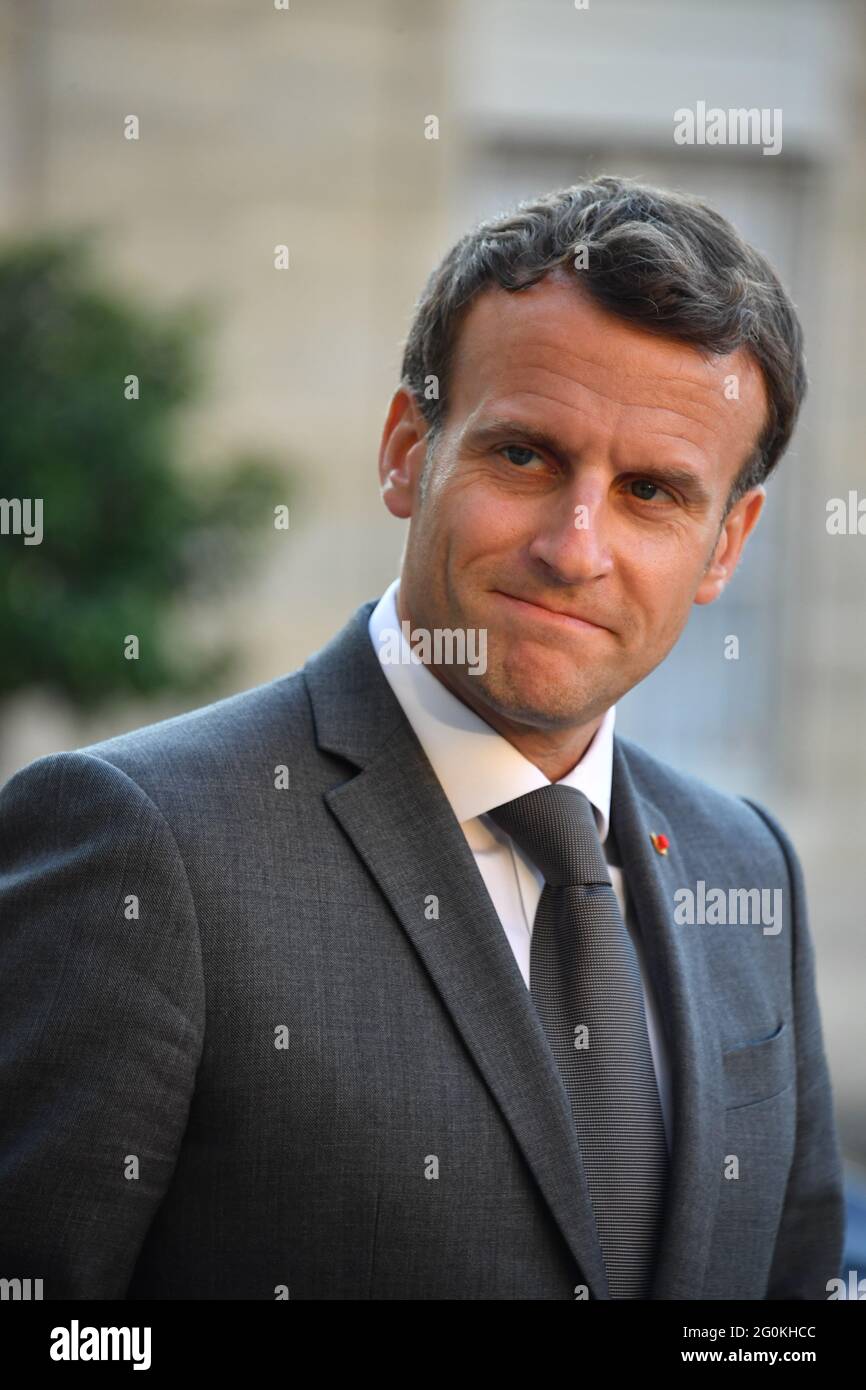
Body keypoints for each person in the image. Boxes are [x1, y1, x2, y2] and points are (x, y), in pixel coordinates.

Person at [0, 176, 845, 1300]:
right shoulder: (138, 843)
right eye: (525, 456)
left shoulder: (744, 866)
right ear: (408, 449)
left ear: (725, 542)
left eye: (650, 491)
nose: (574, 547)